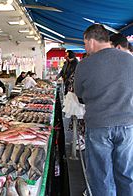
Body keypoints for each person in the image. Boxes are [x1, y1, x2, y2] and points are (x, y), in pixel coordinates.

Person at [74, 24, 133, 196]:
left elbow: (79, 94)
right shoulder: (129, 59)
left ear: (91, 41)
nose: (85, 47)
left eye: (85, 43)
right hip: (128, 126)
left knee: (100, 175)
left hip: (99, 125)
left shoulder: (85, 65)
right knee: (127, 173)